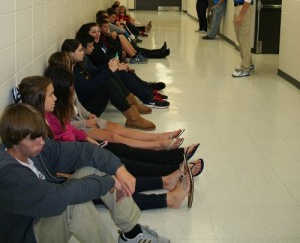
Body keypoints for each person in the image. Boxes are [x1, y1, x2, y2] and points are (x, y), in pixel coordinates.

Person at [15, 75, 196, 212]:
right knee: (108, 185)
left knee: (118, 165)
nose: (55, 98)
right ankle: (167, 196)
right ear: (39, 99)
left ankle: (165, 180)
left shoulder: (44, 117)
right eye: (51, 95)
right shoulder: (33, 130)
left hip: (69, 163)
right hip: (59, 181)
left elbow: (64, 139)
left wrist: (85, 139)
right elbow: (47, 169)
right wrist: (67, 176)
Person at [0, 102, 171, 243]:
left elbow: (83, 151)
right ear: (14, 139)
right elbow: (57, 198)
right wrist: (108, 183)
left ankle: (132, 234)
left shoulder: (36, 148)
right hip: (27, 235)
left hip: (43, 217)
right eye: (34, 138)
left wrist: (118, 170)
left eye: (42, 135)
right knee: (73, 205)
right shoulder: (9, 174)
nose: (42, 142)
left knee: (94, 169)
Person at [61, 39, 156, 130]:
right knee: (109, 83)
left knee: (111, 75)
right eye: (80, 50)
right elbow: (89, 86)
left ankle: (131, 104)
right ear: (71, 54)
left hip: (88, 100)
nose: (83, 52)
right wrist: (110, 70)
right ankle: (133, 118)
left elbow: (93, 72)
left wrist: (109, 66)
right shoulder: (69, 73)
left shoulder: (77, 65)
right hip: (85, 111)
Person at [228, 0, 258, 77]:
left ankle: (245, 68)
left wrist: (240, 15)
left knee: (244, 39)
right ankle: (249, 63)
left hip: (244, 8)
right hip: (238, 8)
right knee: (240, 38)